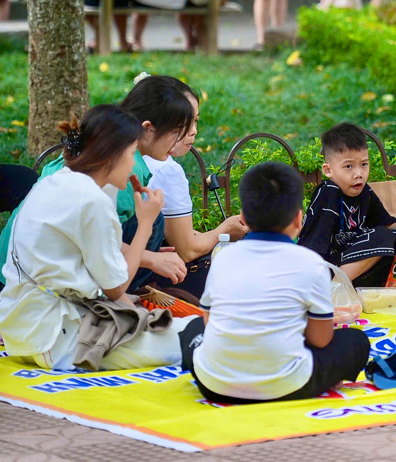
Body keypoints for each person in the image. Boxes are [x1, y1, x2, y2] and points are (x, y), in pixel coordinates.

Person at [0, 105, 189, 370]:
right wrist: (145, 223)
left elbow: (97, 244)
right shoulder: (92, 200)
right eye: (132, 152)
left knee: (170, 327)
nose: (134, 162)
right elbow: (117, 288)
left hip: (22, 326)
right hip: (55, 338)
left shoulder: (59, 180)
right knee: (188, 339)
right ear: (111, 154)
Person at [178, 162, 371, 404]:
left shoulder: (223, 257)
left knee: (194, 329)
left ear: (244, 219)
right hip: (287, 385)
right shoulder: (312, 264)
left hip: (215, 384)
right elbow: (320, 340)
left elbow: (209, 322)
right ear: (299, 220)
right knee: (356, 342)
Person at [0, 75, 194, 291]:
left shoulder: (74, 171)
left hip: (10, 273)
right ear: (147, 129)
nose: (188, 135)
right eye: (178, 131)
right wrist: (146, 246)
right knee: (153, 219)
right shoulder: (113, 181)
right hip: (40, 299)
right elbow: (115, 287)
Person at [142, 76, 247, 296]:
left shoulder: (125, 154)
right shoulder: (166, 170)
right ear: (149, 128)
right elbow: (186, 250)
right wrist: (223, 231)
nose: (193, 131)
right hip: (161, 281)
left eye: (195, 121)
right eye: (183, 125)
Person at [297, 123, 396, 286]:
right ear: (328, 170)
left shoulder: (365, 193)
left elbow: (387, 224)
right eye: (348, 166)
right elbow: (315, 247)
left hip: (350, 262)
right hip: (320, 268)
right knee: (381, 236)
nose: (359, 174)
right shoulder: (329, 192)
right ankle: (333, 290)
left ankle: (374, 287)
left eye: (364, 164)